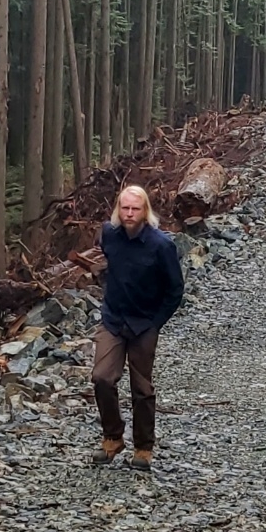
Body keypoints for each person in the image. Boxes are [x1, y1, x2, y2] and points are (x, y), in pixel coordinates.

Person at [90, 183, 185, 469]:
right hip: (113, 319)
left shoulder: (161, 245)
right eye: (125, 208)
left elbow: (175, 290)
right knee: (102, 378)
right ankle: (112, 437)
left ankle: (143, 447)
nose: (129, 214)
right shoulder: (109, 234)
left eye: (135, 208)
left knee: (142, 388)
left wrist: (156, 323)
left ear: (145, 211)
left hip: (144, 323)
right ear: (118, 209)